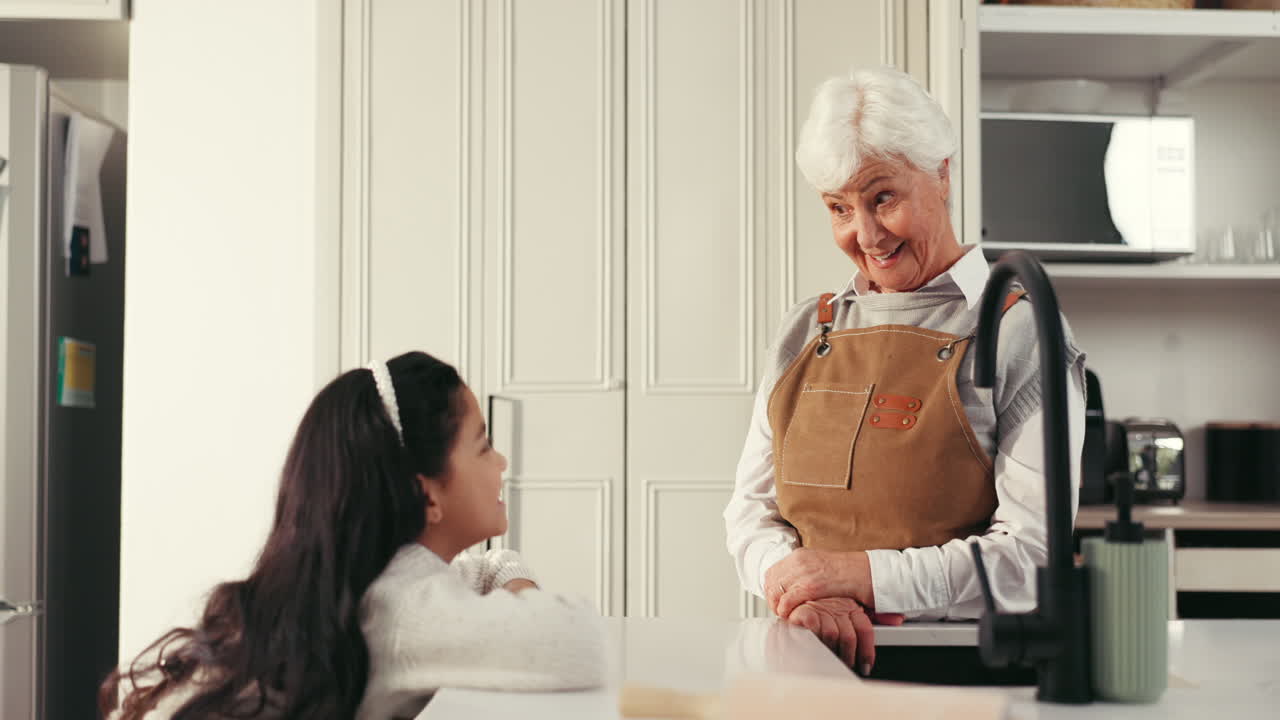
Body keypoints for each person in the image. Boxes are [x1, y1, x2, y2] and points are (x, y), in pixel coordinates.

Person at [723, 66, 1087, 675]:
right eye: (839, 208)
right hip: (803, 658)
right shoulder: (804, 331)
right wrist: (801, 586)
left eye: (882, 197)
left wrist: (859, 576)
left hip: (958, 672)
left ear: (942, 173)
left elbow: (1033, 558)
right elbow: (750, 514)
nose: (865, 234)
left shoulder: (1019, 330)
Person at [101, 351, 605, 720]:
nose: (502, 463)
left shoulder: (377, 579)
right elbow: (580, 641)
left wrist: (506, 575)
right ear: (425, 493)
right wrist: (522, 599)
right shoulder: (407, 608)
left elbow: (483, 569)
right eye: (483, 447)